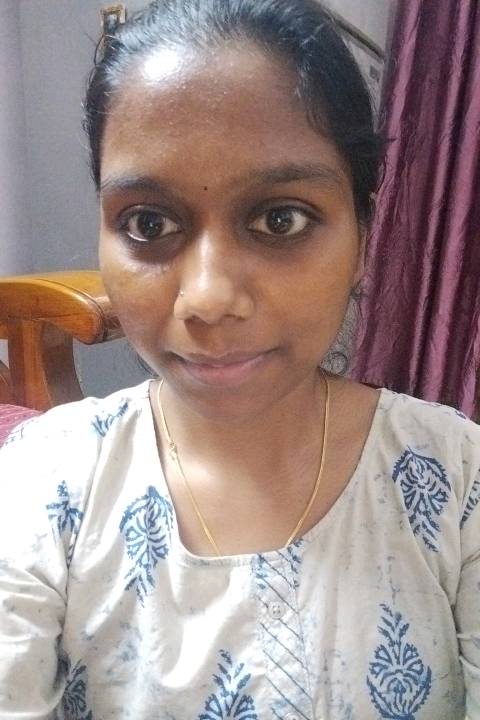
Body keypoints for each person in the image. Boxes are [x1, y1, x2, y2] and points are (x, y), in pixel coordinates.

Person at [0, 0, 479, 717]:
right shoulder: (44, 483)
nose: (208, 298)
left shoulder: (457, 484)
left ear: (364, 236)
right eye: (149, 223)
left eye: (280, 218)